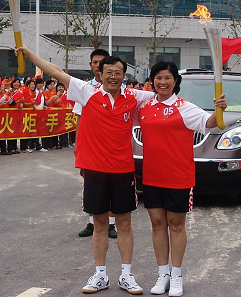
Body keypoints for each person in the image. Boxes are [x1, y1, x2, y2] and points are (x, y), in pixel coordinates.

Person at [17, 45, 152, 295]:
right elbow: (56, 72)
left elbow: (164, 95)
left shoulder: (134, 97)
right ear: (100, 73)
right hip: (94, 170)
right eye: (109, 72)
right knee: (99, 223)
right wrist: (29, 55)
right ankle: (100, 275)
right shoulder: (87, 92)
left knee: (123, 223)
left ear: (124, 76)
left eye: (118, 73)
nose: (113, 76)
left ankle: (126, 275)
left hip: (122, 170)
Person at [135, 61, 227, 296]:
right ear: (152, 80)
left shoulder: (184, 107)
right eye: (158, 77)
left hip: (178, 176)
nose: (162, 82)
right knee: (157, 224)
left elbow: (208, 123)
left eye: (167, 77)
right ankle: (162, 274)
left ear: (175, 81)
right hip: (152, 176)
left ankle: (176, 275)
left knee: (176, 224)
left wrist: (219, 110)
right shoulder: (144, 107)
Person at [75, 49, 118, 239]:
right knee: (91, 187)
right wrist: (78, 145)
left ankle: (111, 224)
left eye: (101, 62)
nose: (98, 66)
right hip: (91, 150)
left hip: (113, 150)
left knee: (113, 188)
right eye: (95, 63)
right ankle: (93, 223)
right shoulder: (85, 90)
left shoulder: (118, 88)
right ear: (91, 65)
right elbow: (79, 118)